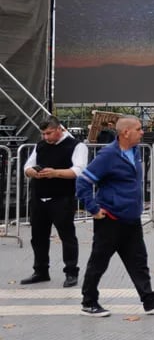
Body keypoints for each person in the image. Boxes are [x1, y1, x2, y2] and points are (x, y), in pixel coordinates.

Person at [76, 116, 154, 317]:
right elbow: (83, 182)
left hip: (131, 218)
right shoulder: (108, 155)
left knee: (138, 260)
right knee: (99, 261)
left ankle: (149, 299)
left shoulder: (135, 150)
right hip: (110, 219)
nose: (142, 132)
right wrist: (94, 209)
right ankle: (89, 301)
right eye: (138, 129)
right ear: (125, 133)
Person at [21, 116, 87, 288]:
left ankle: (71, 272)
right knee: (38, 237)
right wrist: (32, 173)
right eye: (43, 134)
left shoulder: (77, 146)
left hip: (62, 197)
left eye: (49, 133)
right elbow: (27, 166)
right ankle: (41, 271)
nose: (46, 137)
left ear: (59, 129)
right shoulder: (40, 145)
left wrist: (55, 173)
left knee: (67, 236)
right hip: (39, 196)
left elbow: (78, 170)